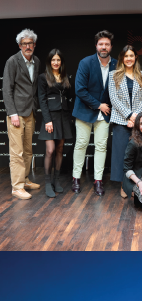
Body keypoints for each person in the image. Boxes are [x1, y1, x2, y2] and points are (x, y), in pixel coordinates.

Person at [72, 31, 118, 196]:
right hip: (85, 111)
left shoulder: (117, 65)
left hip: (104, 114)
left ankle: (98, 180)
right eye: (100, 44)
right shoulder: (85, 62)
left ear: (111, 46)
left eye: (106, 44)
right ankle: (76, 177)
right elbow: (80, 90)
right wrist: (99, 105)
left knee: (101, 147)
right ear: (96, 46)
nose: (103, 47)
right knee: (81, 144)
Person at [2, 29, 41, 201]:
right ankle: (17, 187)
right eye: (24, 43)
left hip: (30, 112)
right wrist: (12, 113)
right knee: (16, 152)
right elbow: (7, 89)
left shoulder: (37, 61)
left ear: (34, 45)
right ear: (20, 45)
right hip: (16, 114)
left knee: (27, 150)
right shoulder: (12, 61)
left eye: (30, 43)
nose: (28, 46)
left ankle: (24, 180)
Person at [108, 45, 142, 193]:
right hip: (121, 120)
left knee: (137, 154)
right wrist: (129, 115)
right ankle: (124, 185)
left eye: (131, 55)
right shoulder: (113, 74)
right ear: (122, 58)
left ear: (135, 57)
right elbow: (114, 98)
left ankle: (137, 182)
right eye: (126, 56)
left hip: (139, 122)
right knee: (121, 153)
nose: (129, 59)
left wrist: (136, 118)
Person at [37, 49, 75, 198]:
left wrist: (70, 115)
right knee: (50, 150)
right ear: (49, 62)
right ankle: (47, 183)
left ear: (61, 62)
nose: (56, 62)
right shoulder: (43, 77)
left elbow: (68, 97)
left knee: (60, 149)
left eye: (58, 60)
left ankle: (56, 181)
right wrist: (47, 120)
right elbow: (42, 99)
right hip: (50, 117)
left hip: (64, 116)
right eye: (53, 60)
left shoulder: (65, 77)